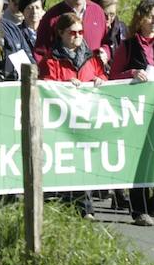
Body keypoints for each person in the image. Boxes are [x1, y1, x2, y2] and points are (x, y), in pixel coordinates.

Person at [110, 0, 154, 226]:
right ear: (139, 19)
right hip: (137, 112)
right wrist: (131, 73)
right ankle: (139, 209)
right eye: (149, 17)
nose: (153, 22)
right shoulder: (128, 46)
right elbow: (114, 75)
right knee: (139, 159)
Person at [39, 13, 107, 220]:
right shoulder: (51, 60)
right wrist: (66, 85)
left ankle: (85, 207)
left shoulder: (91, 57)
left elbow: (102, 75)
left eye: (80, 32)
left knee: (84, 160)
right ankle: (65, 206)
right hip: (62, 120)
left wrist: (99, 79)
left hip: (85, 118)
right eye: (72, 32)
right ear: (61, 33)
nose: (77, 36)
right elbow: (47, 84)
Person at [34, 0, 110, 63]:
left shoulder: (97, 12)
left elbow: (107, 42)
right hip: (63, 76)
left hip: (94, 75)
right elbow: (40, 53)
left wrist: (105, 52)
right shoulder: (52, 17)